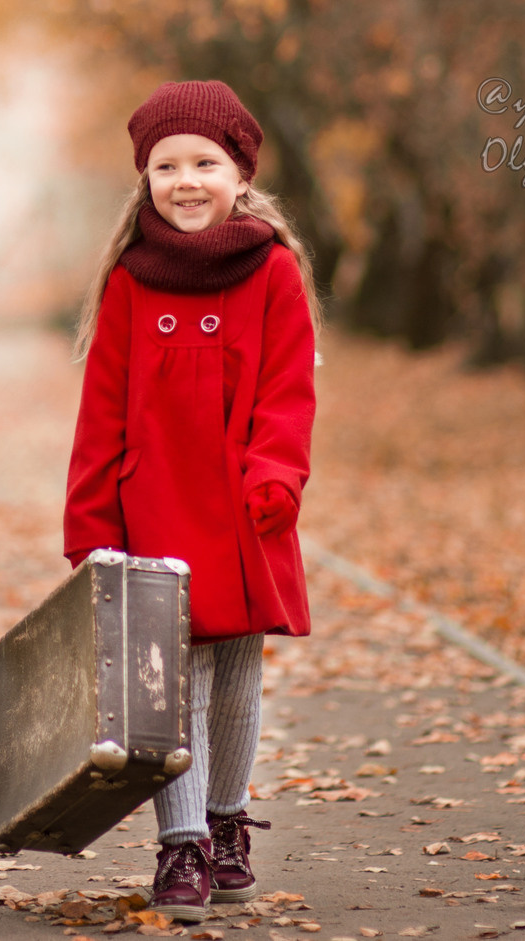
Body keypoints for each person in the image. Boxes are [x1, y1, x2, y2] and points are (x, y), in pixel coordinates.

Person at [63, 80, 319, 924]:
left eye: (204, 162)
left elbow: (288, 393)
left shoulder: (273, 271)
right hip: (156, 511)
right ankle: (182, 846)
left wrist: (277, 477)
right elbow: (100, 411)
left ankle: (226, 819)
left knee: (237, 676)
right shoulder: (132, 281)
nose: (186, 179)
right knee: (177, 682)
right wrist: (91, 525)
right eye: (166, 165)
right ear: (145, 178)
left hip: (250, 514)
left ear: (239, 174)